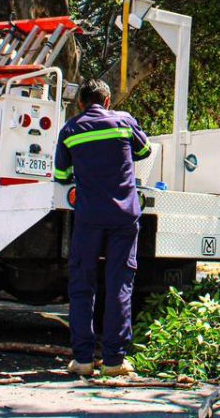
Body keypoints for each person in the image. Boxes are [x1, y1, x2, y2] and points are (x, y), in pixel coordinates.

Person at [54, 78, 153, 377]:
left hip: (89, 218)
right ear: (108, 101)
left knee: (82, 285)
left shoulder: (70, 130)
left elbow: (61, 175)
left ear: (80, 103)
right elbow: (145, 151)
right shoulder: (124, 122)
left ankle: (83, 360)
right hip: (124, 218)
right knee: (119, 284)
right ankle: (114, 361)